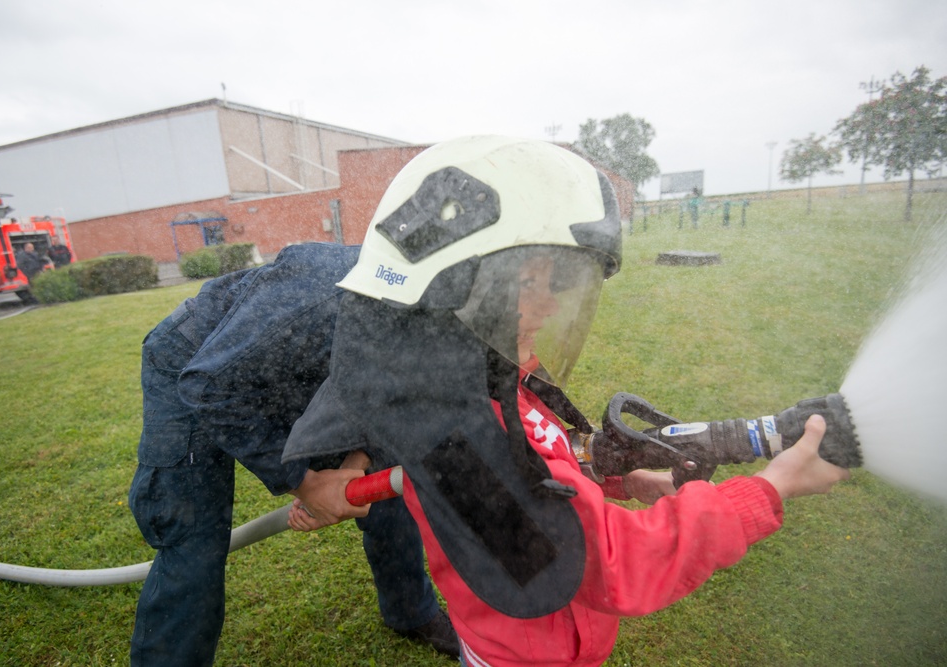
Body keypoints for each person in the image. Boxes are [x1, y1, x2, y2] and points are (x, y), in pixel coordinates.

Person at [281, 136, 850, 666]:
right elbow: (614, 564)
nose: (552, 308)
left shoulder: (478, 387)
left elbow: (541, 479)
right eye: (532, 285)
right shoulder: (458, 450)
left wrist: (618, 482)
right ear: (457, 286)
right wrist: (769, 491)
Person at [127, 243, 458, 667]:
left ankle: (412, 613)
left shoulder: (428, 318)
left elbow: (387, 403)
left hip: (297, 370)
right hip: (194, 362)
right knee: (195, 536)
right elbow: (210, 387)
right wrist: (304, 481)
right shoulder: (321, 295)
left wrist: (353, 469)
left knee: (386, 490)